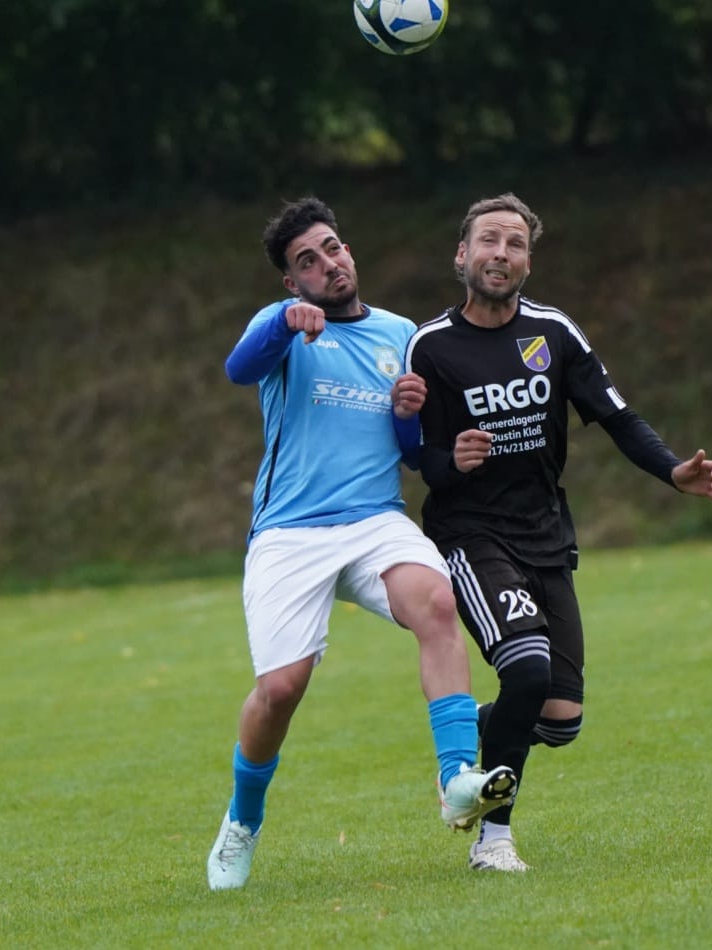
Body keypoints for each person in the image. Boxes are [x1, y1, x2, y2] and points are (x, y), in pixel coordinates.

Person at [403, 193, 712, 873]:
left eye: (515, 244)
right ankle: (494, 842)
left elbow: (618, 418)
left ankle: (466, 739)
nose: (501, 254)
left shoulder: (553, 332)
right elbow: (416, 456)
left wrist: (674, 471)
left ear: (528, 262)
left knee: (558, 718)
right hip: (470, 536)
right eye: (489, 240)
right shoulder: (431, 346)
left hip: (545, 537)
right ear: (462, 254)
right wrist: (450, 461)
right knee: (525, 668)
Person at [205, 197, 517, 891]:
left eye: (332, 248)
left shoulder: (400, 334)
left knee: (437, 603)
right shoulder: (282, 323)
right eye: (307, 262)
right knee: (280, 690)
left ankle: (456, 780)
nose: (327, 264)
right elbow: (238, 369)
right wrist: (285, 323)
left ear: (347, 250)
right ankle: (242, 820)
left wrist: (408, 416)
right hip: (291, 531)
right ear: (292, 280)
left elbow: (408, 449)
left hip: (375, 520)